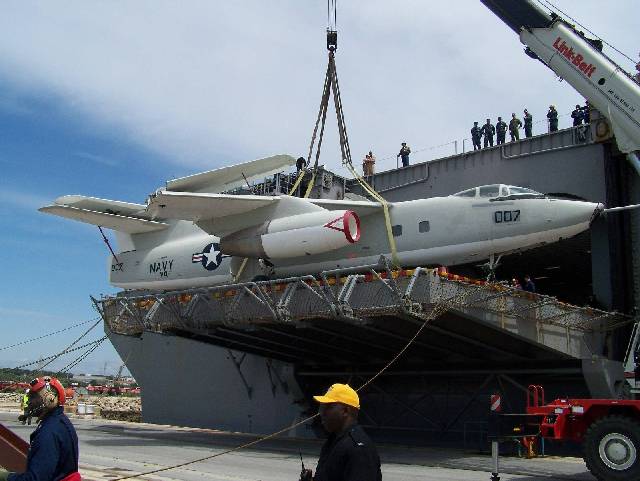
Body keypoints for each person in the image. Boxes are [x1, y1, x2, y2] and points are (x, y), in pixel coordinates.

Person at [1, 377, 80, 481]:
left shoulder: (48, 433)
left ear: (49, 399)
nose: (29, 401)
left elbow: (35, 479)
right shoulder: (60, 422)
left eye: (33, 397)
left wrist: (6, 477)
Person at [302, 383, 382, 481]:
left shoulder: (358, 450)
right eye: (321, 408)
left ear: (345, 411)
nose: (322, 413)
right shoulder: (334, 441)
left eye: (328, 407)